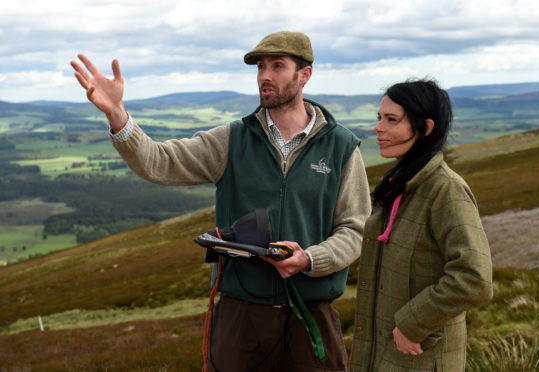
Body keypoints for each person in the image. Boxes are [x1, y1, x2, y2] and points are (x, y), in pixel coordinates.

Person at [71, 31, 371, 372]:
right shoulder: (233, 139)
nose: (265, 76)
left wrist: (309, 259)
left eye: (277, 66)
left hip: (312, 314)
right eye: (260, 67)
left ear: (305, 75)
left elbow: (356, 229)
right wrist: (117, 114)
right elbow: (157, 161)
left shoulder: (342, 146)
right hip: (240, 316)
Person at [349, 79, 493, 372]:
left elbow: (474, 280)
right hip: (383, 358)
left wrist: (412, 324)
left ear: (426, 128)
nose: (378, 127)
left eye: (392, 120)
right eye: (379, 118)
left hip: (420, 360)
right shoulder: (399, 185)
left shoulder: (446, 189)